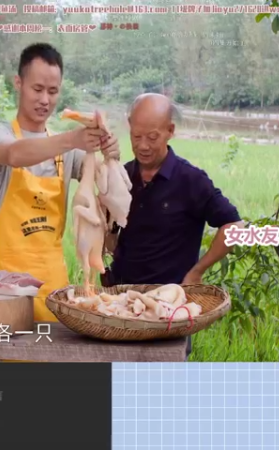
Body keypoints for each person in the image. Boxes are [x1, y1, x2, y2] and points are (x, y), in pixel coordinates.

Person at [0, 43, 120, 323]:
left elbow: (103, 178)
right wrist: (73, 139)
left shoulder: (69, 152)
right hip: (4, 288)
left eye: (53, 91)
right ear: (18, 83)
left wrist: (110, 152)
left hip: (53, 289)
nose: (45, 99)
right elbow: (14, 154)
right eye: (37, 89)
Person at [102, 93, 243, 358]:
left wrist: (197, 272)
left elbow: (234, 225)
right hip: (122, 306)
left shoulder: (190, 180)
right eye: (136, 136)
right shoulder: (123, 175)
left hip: (169, 311)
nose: (143, 145)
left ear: (170, 131)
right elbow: (111, 237)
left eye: (152, 137)